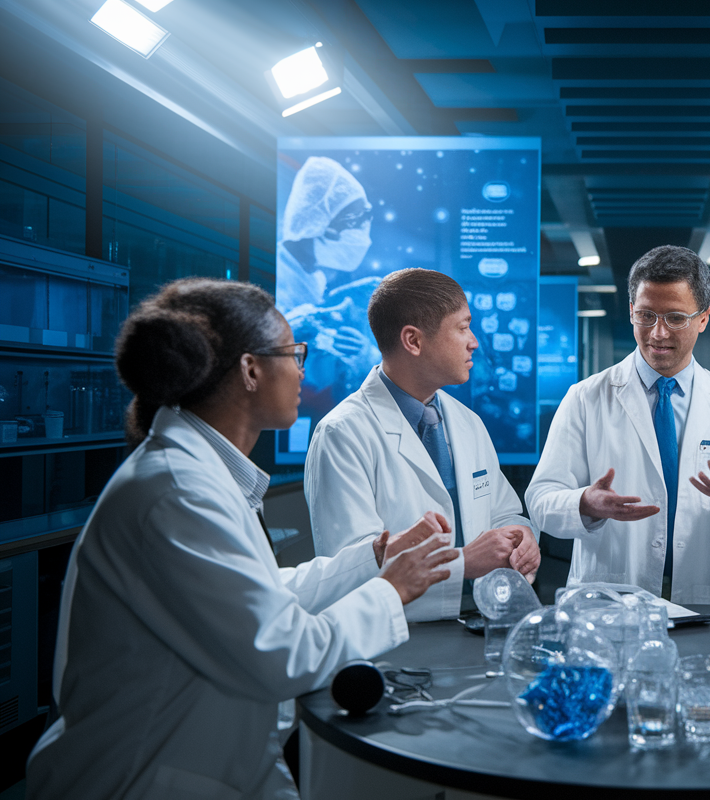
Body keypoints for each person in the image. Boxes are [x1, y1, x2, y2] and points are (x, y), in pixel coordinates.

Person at [25, 279, 458, 799]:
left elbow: (261, 594)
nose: (303, 369)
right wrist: (392, 589)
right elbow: (281, 653)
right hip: (143, 779)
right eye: (293, 353)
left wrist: (375, 557)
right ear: (251, 370)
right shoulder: (177, 490)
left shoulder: (197, 475)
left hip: (203, 765)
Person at [527, 246, 710, 603]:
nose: (658, 333)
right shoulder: (585, 398)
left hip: (706, 593)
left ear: (703, 318)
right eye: (646, 316)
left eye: (675, 318)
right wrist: (585, 502)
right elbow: (540, 500)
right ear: (631, 312)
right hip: (610, 595)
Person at [305, 268, 538, 622]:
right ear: (413, 341)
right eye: (462, 327)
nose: (474, 341)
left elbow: (503, 513)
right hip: (395, 638)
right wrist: (463, 564)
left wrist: (521, 537)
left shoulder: (467, 423)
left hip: (478, 624)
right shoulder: (342, 434)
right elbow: (351, 570)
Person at [276, 156, 378, 405]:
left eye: (365, 220)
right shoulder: (276, 281)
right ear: (316, 221)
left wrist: (367, 357)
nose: (360, 235)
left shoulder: (313, 278)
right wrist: (288, 334)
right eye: (353, 222)